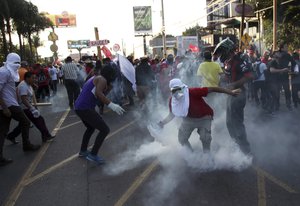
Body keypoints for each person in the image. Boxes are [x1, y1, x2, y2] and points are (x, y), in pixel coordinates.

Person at [158, 78, 240, 152]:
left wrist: (230, 92)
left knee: (205, 138)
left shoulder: (192, 92)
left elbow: (213, 89)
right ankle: (191, 155)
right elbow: (172, 114)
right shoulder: (172, 101)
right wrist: (162, 123)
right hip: (188, 120)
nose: (176, 92)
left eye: (178, 89)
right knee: (182, 139)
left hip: (204, 117)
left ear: (182, 87)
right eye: (174, 90)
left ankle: (207, 157)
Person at [74, 66, 125, 164]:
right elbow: (98, 93)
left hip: (80, 107)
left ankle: (83, 151)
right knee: (105, 130)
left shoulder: (97, 78)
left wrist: (109, 88)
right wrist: (111, 105)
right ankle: (93, 155)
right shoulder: (102, 79)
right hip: (85, 108)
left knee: (90, 128)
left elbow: (99, 95)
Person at [213, 38, 253, 155]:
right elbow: (227, 76)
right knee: (229, 122)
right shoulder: (227, 62)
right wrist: (221, 82)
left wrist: (233, 85)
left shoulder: (240, 59)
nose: (220, 55)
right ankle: (236, 145)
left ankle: (245, 150)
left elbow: (249, 76)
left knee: (237, 123)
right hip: (230, 94)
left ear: (227, 50)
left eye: (221, 52)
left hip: (239, 93)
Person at [0, 53, 40, 166]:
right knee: (26, 122)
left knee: (2, 130)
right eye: (16, 63)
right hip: (8, 104)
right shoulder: (4, 72)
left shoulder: (7, 71)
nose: (17, 65)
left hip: (9, 103)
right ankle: (26, 145)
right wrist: (5, 108)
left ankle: (0, 156)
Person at [6, 72, 55, 143]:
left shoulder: (28, 84)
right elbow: (23, 99)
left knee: (23, 124)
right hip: (25, 108)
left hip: (28, 106)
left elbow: (32, 96)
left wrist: (35, 106)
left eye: (35, 78)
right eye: (33, 78)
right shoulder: (23, 86)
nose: (35, 80)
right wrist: (32, 109)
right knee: (39, 120)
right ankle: (46, 136)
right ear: (27, 78)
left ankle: (11, 136)